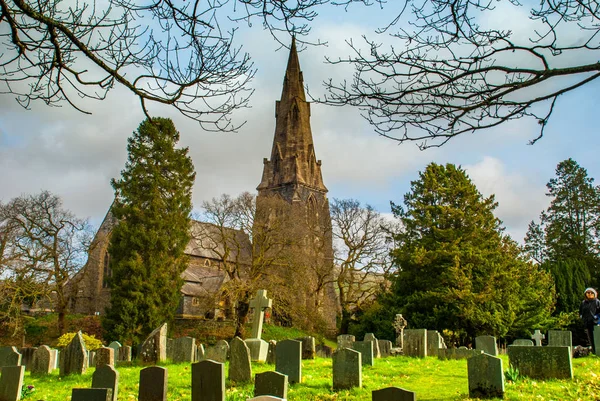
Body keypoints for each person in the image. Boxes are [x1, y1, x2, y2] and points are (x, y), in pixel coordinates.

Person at [579, 287, 600, 354]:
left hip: (596, 323)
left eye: (591, 293)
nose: (590, 294)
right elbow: (580, 312)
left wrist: (596, 318)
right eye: (588, 292)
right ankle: (594, 352)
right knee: (590, 338)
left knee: (597, 338)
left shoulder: (597, 302)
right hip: (587, 323)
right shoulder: (583, 303)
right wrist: (582, 317)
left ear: (594, 294)